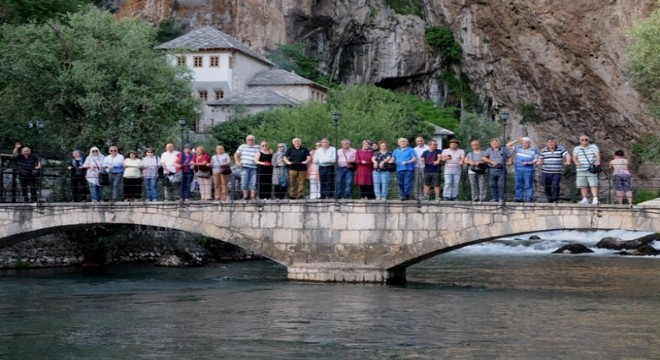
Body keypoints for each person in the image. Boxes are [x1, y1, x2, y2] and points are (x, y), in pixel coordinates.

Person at [537, 137, 571, 203]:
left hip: (556, 172)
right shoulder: (543, 150)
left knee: (555, 185)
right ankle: (550, 200)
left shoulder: (560, 149)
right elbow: (540, 158)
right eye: (549, 142)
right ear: (547, 143)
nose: (551, 143)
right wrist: (539, 162)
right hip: (545, 172)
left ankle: (555, 199)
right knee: (546, 186)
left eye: (552, 142)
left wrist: (568, 161)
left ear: (555, 143)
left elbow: (567, 155)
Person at [507, 137, 538, 202]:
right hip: (518, 169)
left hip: (528, 170)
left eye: (526, 143)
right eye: (523, 143)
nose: (524, 144)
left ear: (529, 143)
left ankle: (529, 198)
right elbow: (508, 145)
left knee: (528, 185)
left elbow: (536, 160)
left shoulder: (534, 150)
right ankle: (519, 198)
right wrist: (516, 140)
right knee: (518, 184)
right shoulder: (518, 148)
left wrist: (528, 163)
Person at [572, 134, 600, 205]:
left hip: (591, 168)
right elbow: (574, 157)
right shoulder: (577, 148)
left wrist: (597, 161)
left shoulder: (593, 146)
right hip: (580, 169)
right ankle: (584, 199)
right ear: (580, 141)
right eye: (582, 140)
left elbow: (597, 154)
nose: (584, 141)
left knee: (593, 184)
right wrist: (576, 162)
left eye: (586, 139)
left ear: (588, 140)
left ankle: (595, 198)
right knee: (582, 185)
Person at [482, 138, 512, 203]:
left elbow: (510, 157)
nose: (494, 143)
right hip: (492, 169)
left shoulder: (504, 149)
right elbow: (483, 158)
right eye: (493, 143)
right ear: (491, 144)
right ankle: (494, 198)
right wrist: (491, 162)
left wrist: (509, 162)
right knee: (492, 184)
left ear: (499, 143)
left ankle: (501, 198)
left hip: (502, 170)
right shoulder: (488, 150)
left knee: (501, 185)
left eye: (496, 142)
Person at [234, 135, 259, 200]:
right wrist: (237, 162)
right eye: (249, 140)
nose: (250, 141)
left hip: (254, 167)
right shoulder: (242, 146)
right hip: (244, 166)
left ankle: (253, 197)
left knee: (253, 182)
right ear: (246, 140)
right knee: (244, 182)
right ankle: (245, 196)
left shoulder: (258, 147)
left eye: (252, 140)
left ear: (254, 140)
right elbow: (236, 155)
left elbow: (265, 151)